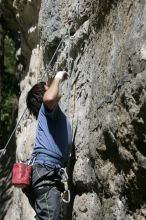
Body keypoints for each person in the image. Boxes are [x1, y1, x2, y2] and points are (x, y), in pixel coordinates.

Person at [24, 71, 72, 220]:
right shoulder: (47, 111)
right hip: (45, 173)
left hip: (45, 174)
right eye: (48, 87)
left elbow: (50, 96)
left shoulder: (49, 116)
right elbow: (49, 97)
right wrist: (58, 76)